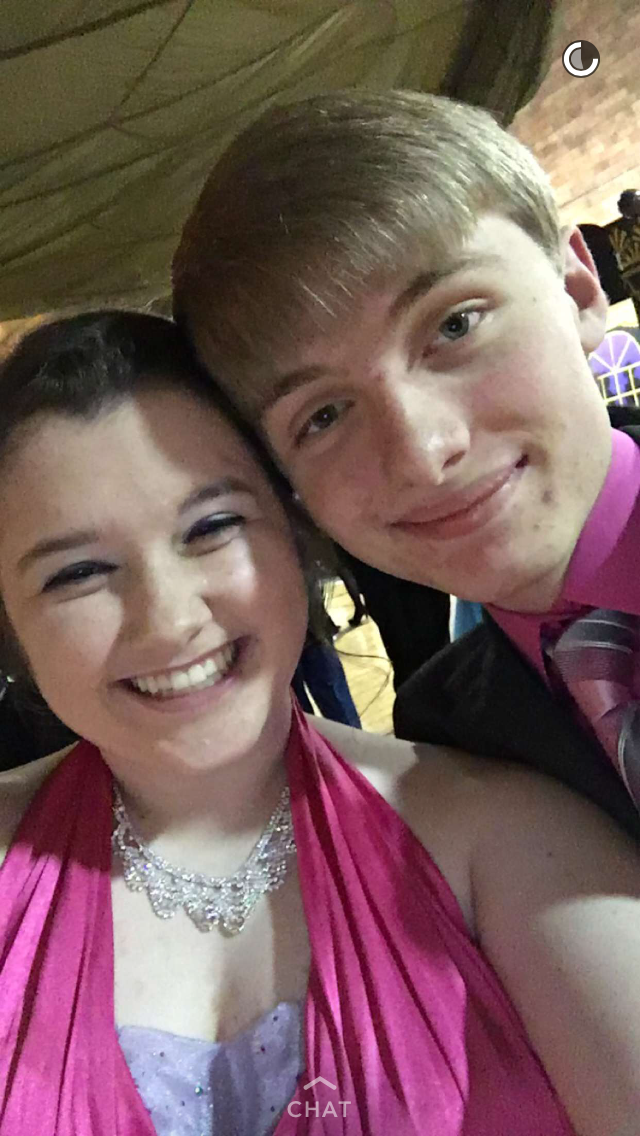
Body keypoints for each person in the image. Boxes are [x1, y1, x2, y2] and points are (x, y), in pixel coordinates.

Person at [2, 313, 640, 1136]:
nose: (168, 620)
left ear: (296, 533)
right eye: (79, 573)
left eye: (212, 527)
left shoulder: (507, 842)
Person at [172, 89, 640, 839]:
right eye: (324, 416)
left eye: (455, 325)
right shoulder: (448, 742)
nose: (423, 456)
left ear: (579, 291)